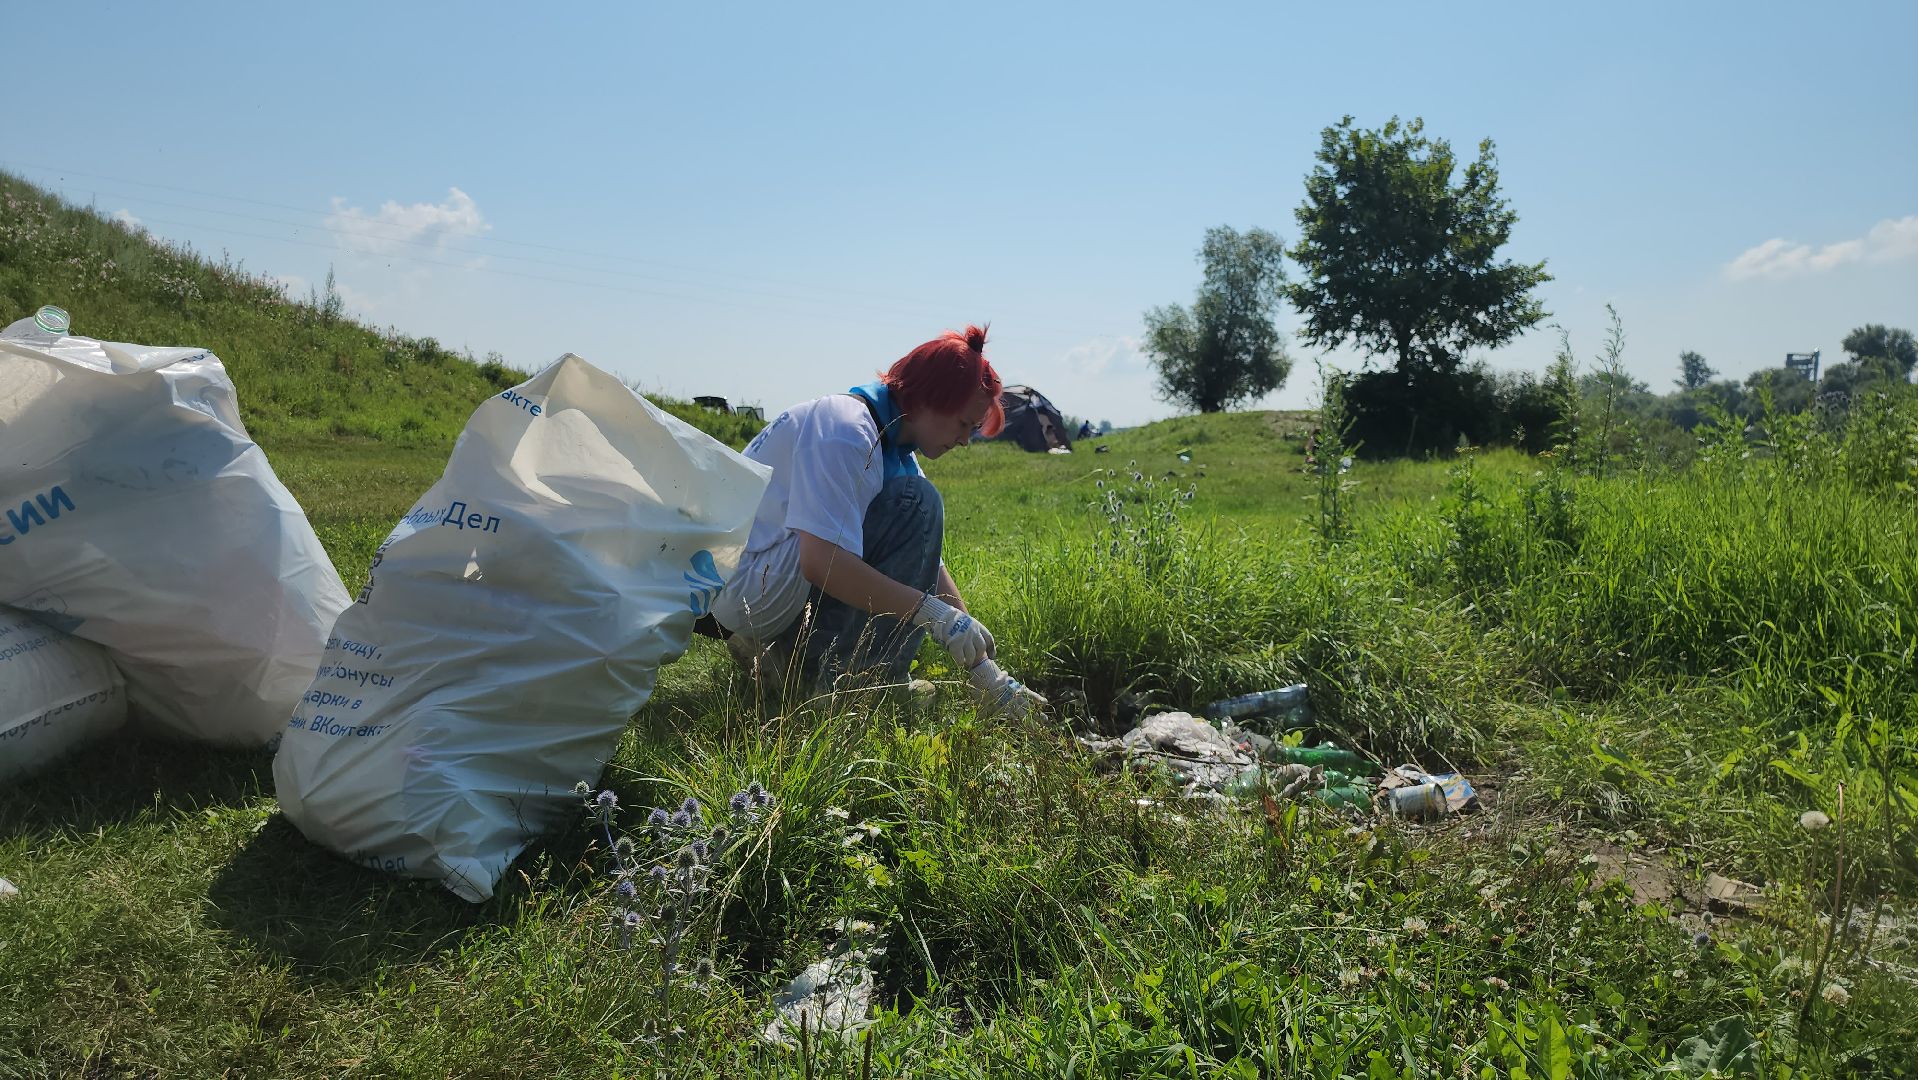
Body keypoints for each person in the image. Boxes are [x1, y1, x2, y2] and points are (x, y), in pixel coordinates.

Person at [709, 325, 1046, 715]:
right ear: (928, 400)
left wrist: (986, 673)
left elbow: (925, 565)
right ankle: (846, 684)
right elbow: (820, 562)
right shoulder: (847, 430)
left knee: (915, 507)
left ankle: (801, 664)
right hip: (746, 583)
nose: (965, 440)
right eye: (963, 424)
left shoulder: (892, 444)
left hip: (770, 577)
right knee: (917, 502)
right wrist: (931, 614)